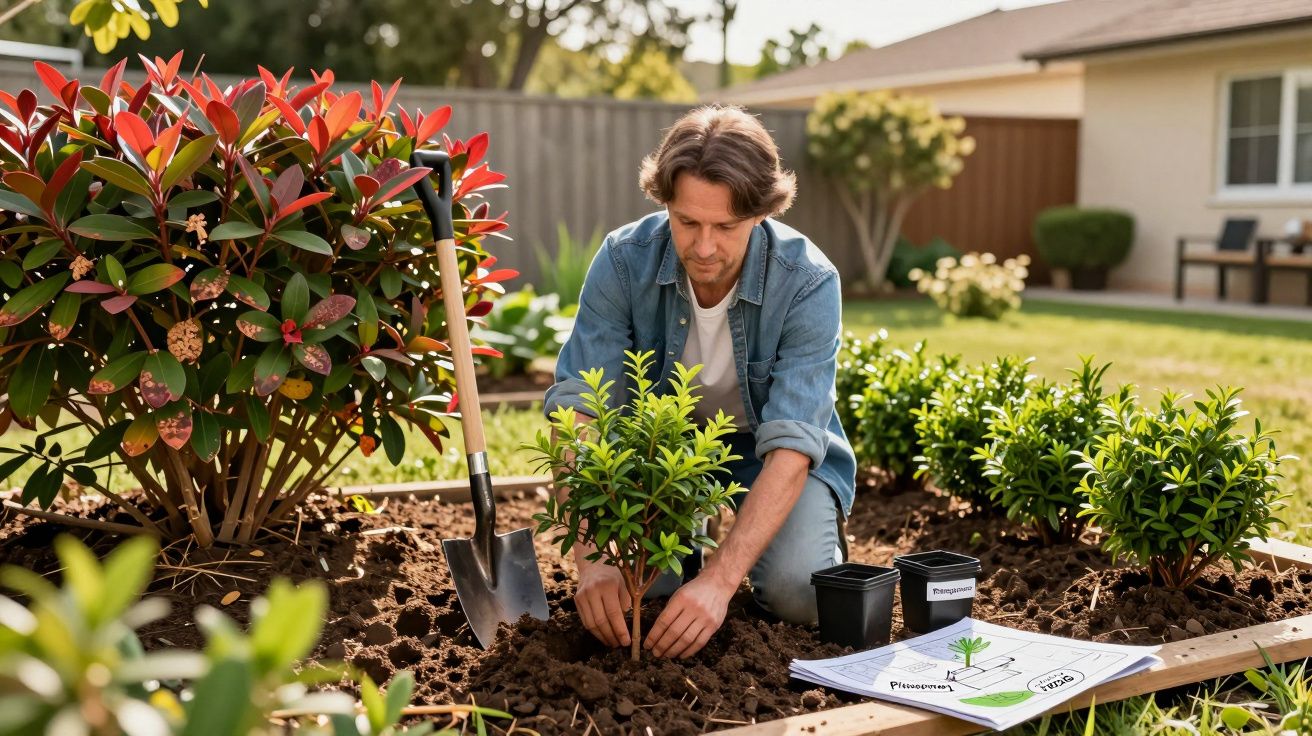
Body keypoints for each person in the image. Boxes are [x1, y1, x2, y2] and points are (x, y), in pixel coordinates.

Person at [542, 104, 856, 659]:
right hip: (663, 451)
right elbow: (578, 414)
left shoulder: (808, 281)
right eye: (687, 222)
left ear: (762, 213)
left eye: (726, 227)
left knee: (798, 593)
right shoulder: (623, 261)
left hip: (768, 451)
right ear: (665, 202)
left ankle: (786, 537)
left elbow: (792, 445)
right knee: (643, 590)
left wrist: (719, 581)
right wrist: (592, 560)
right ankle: (691, 535)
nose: (704, 247)